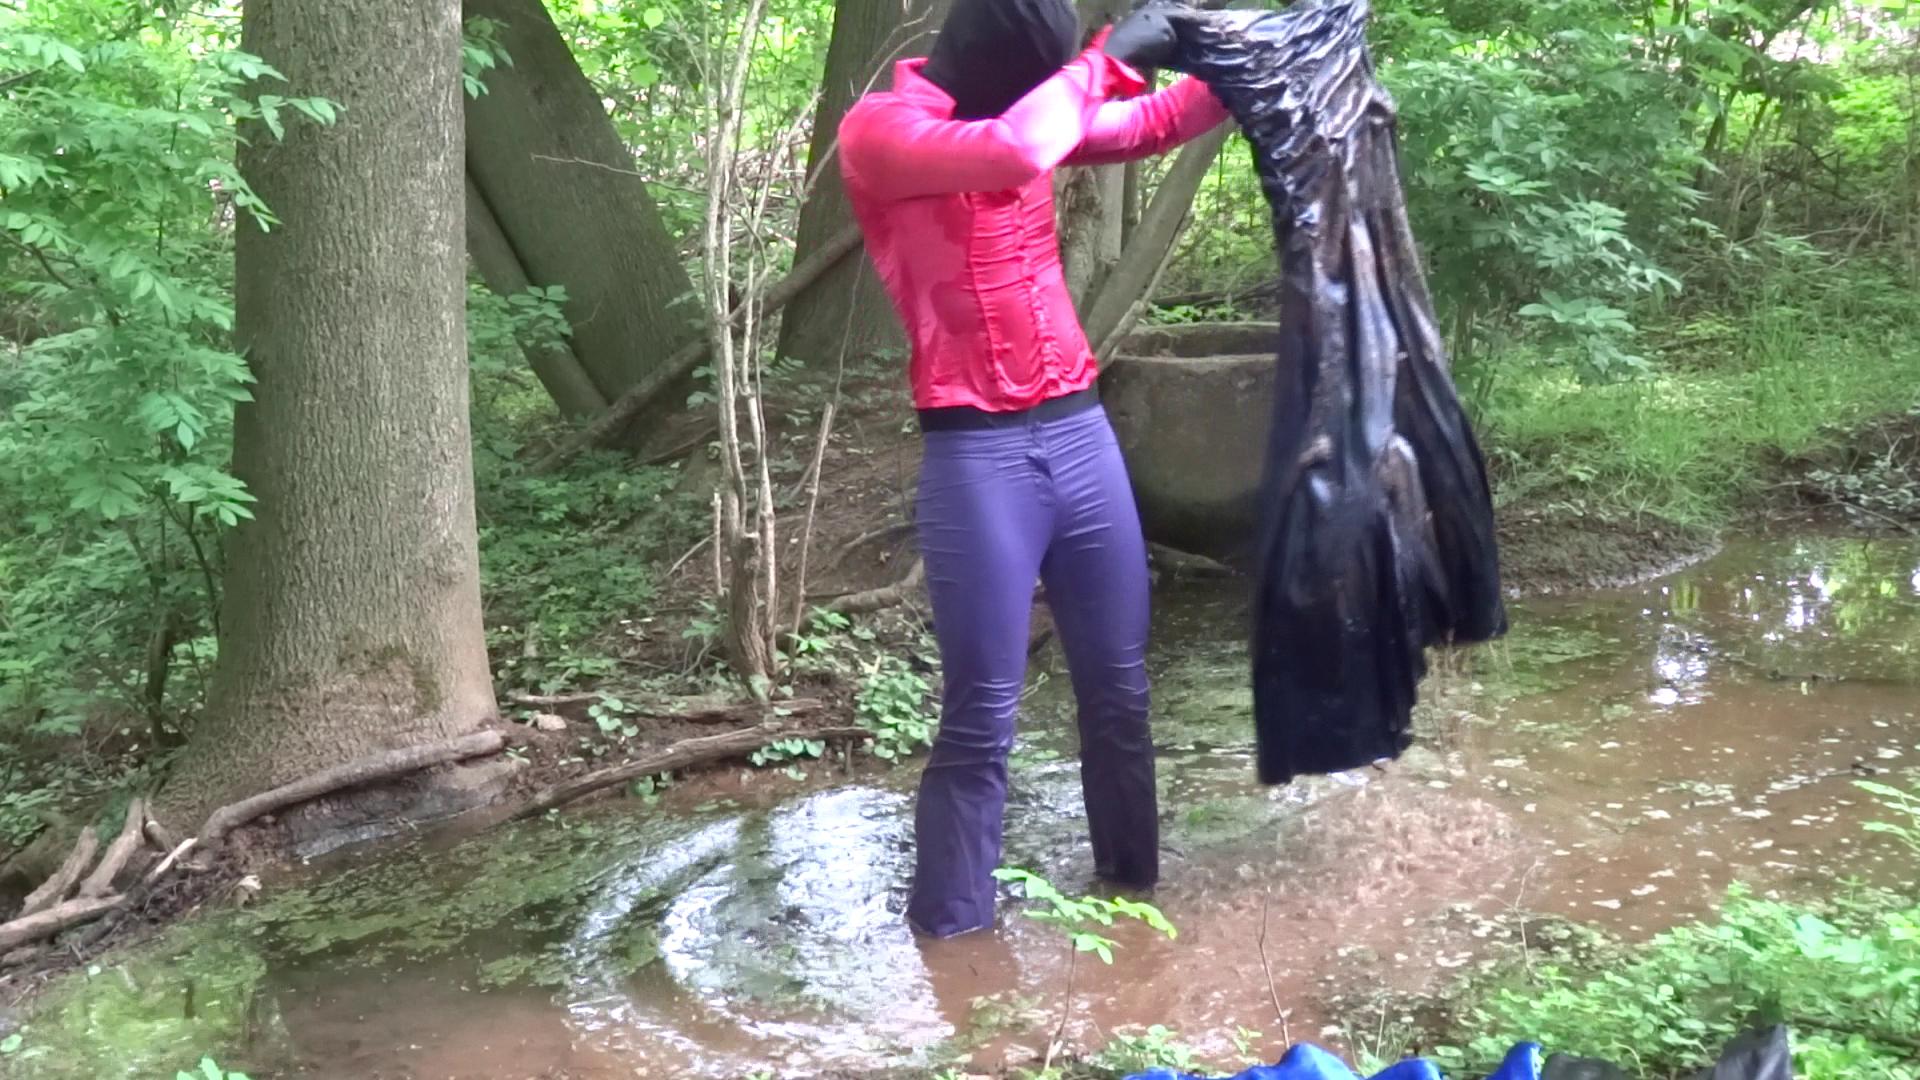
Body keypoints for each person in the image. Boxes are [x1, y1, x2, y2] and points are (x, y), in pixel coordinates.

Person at [837, 0, 1231, 939]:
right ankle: (955, 950)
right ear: (984, 64)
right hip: (978, 455)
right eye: (1036, 82)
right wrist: (1105, 60)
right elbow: (1017, 148)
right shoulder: (881, 132)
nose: (1046, 97)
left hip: (1080, 434)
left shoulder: (1032, 113)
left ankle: (1134, 907)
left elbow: (1157, 121)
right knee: (981, 718)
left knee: (1120, 691)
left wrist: (1252, 47)